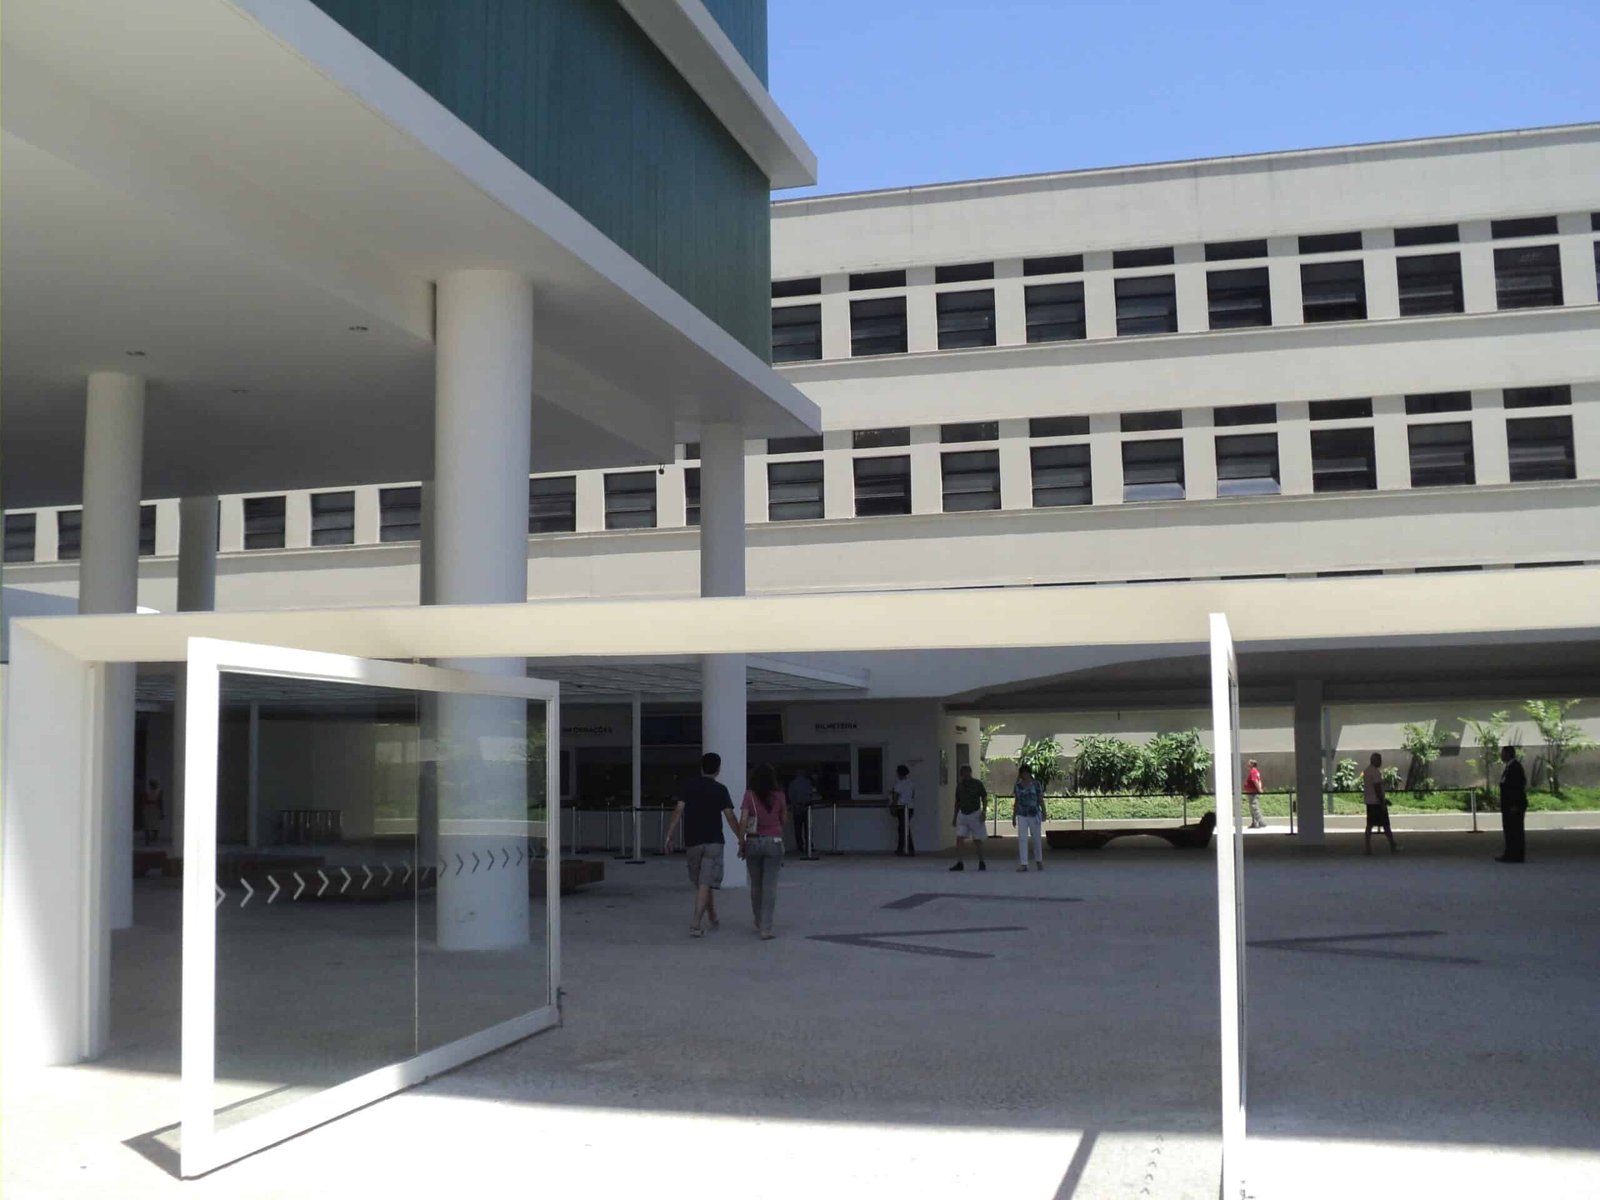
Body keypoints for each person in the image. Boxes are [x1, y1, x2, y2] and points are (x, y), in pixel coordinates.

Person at [662, 752, 743, 937]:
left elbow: (678, 810)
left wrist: (669, 835)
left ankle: (710, 917)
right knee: (704, 882)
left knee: (702, 882)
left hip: (693, 841)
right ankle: (696, 922)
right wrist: (741, 837)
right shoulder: (720, 789)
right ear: (718, 770)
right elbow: (730, 817)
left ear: (701, 767)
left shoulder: (687, 786)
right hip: (714, 841)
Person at [740, 764, 787, 939]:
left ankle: (758, 919)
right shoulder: (780, 796)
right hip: (773, 842)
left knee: (756, 885)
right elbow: (784, 818)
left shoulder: (749, 796)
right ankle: (766, 928)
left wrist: (741, 842)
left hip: (753, 842)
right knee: (770, 886)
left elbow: (744, 819)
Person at [950, 764, 988, 871]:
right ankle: (959, 862)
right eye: (964, 773)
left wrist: (984, 812)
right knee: (959, 838)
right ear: (961, 775)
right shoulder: (959, 786)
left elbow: (984, 797)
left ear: (970, 773)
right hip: (963, 815)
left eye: (968, 772)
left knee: (977, 840)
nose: (966, 775)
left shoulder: (977, 784)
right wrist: (955, 816)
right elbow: (957, 802)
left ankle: (981, 861)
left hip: (975, 814)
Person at [1496, 744, 1528, 863]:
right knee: (1509, 830)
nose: (1501, 755)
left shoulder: (1515, 768)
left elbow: (1517, 787)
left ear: (1509, 754)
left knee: (1515, 830)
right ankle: (1510, 853)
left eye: (1503, 753)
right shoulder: (1510, 767)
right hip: (1508, 805)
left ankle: (1516, 854)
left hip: (1514, 805)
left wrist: (1515, 804)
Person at [1362, 752, 1397, 856]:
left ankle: (1368, 847)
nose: (1381, 762)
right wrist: (1382, 801)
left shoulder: (1366, 771)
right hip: (1377, 803)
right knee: (1386, 825)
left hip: (1369, 802)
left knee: (1369, 825)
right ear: (1375, 760)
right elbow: (1377, 788)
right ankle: (1393, 845)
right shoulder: (1375, 772)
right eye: (1379, 760)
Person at [1012, 765, 1046, 871]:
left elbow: (1040, 799)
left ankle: (1039, 860)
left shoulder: (1036, 784)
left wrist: (1044, 811)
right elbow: (1016, 801)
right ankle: (1024, 863)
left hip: (1034, 814)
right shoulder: (1018, 786)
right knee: (1022, 839)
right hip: (1022, 814)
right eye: (1022, 773)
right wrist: (1014, 816)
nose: (1024, 775)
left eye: (1026, 773)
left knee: (1036, 838)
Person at [788, 769, 816, 855]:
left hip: (797, 807)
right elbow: (812, 794)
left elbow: (790, 796)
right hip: (807, 807)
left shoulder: (792, 784)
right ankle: (809, 845)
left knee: (798, 828)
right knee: (808, 828)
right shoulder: (807, 783)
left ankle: (800, 846)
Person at [891, 764, 916, 856]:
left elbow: (895, 797)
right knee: (904, 828)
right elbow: (913, 795)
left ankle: (907, 849)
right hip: (910, 808)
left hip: (902, 808)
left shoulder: (899, 784)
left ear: (899, 773)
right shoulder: (911, 783)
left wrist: (893, 806)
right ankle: (902, 848)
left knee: (903, 829)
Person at [140, 778, 164, 846]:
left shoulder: (159, 791)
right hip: (148, 808)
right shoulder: (147, 791)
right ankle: (147, 840)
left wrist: (161, 811)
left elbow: (160, 801)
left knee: (155, 825)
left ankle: (154, 838)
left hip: (155, 808)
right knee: (147, 825)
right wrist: (143, 809)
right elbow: (144, 800)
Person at [1244, 759, 1266, 829]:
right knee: (1252, 808)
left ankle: (1261, 822)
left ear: (1252, 764)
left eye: (1249, 763)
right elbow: (1259, 781)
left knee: (1254, 807)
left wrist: (1259, 789)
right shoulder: (1255, 771)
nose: (1247, 764)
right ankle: (1255, 823)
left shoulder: (1253, 771)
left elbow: (1255, 781)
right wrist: (1260, 788)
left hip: (1253, 792)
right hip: (1251, 792)